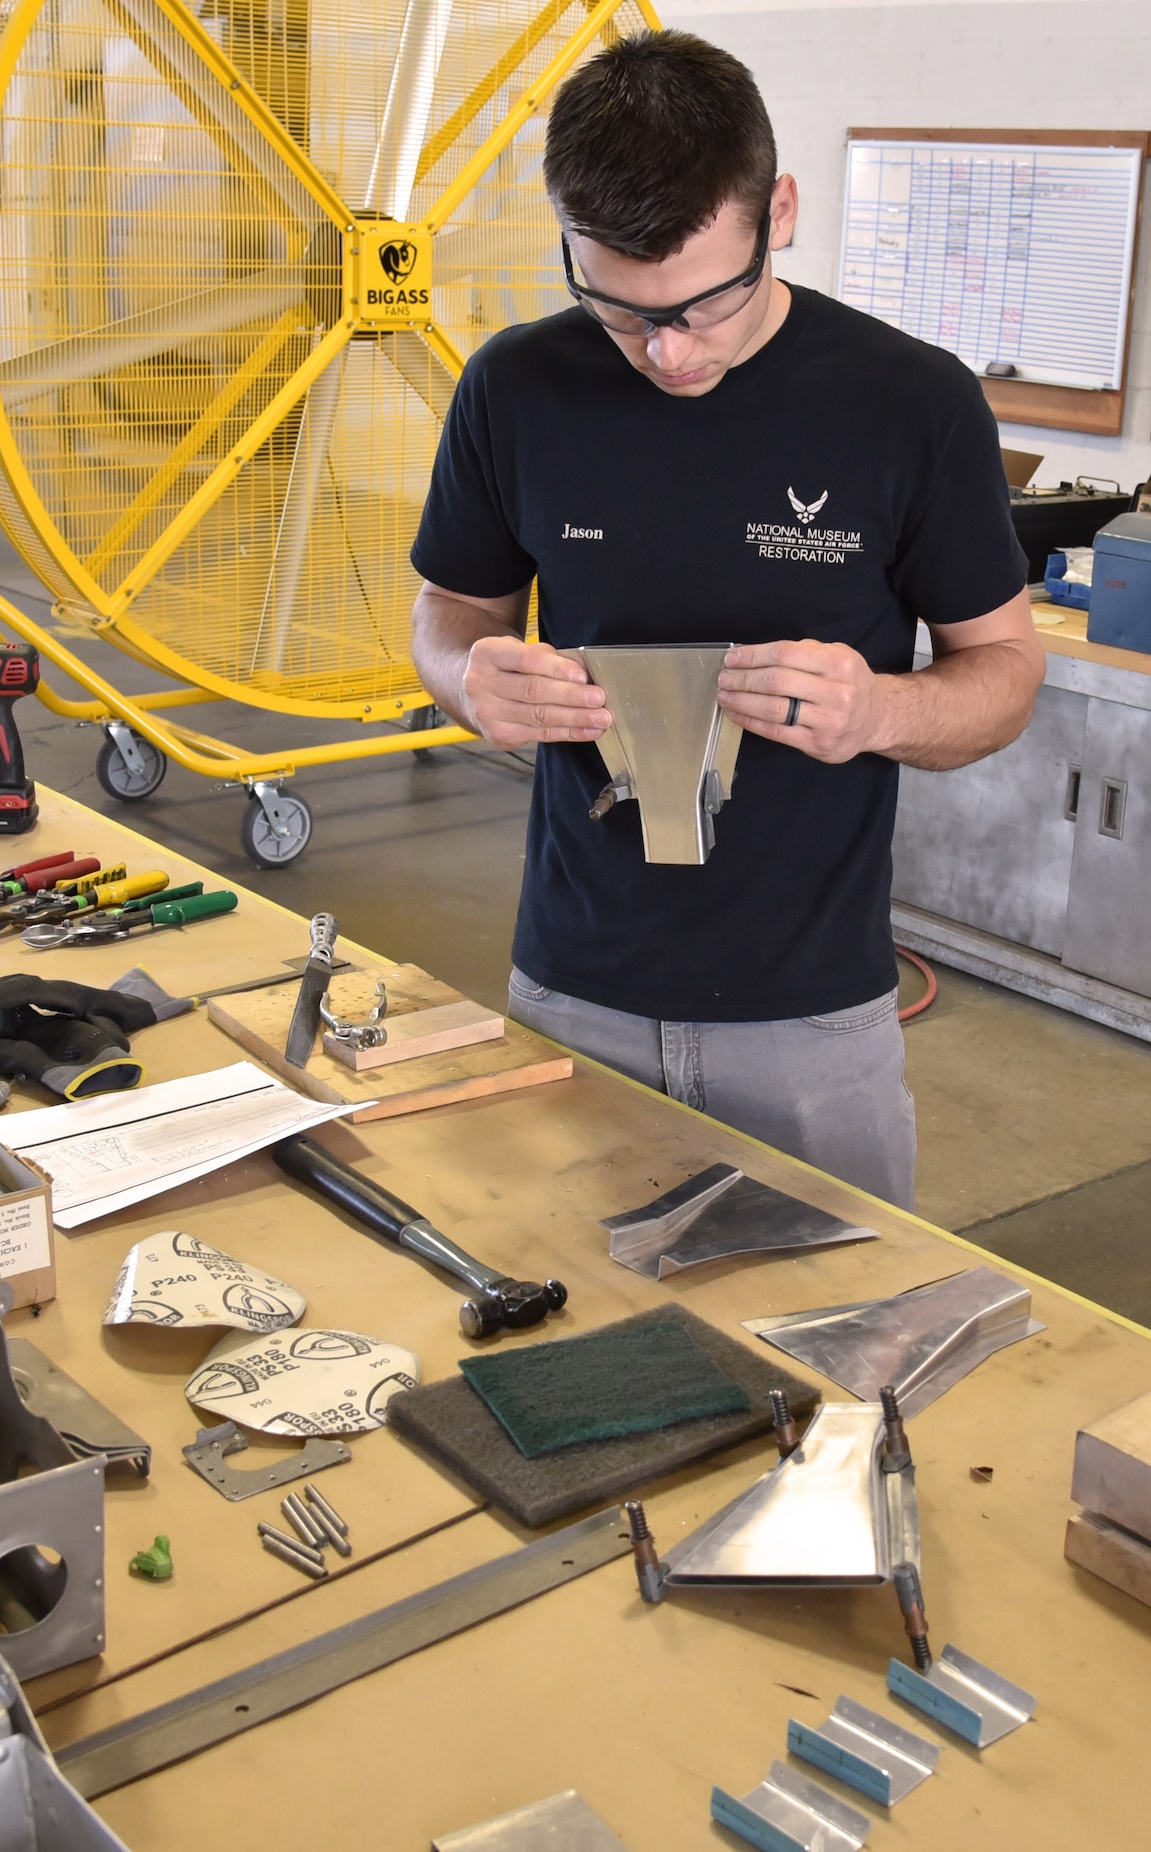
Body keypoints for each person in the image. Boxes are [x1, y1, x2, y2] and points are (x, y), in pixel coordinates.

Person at [408, 30, 1042, 1210]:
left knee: (833, 1360)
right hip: (570, 983)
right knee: (574, 1348)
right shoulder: (513, 386)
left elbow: (1003, 670)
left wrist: (880, 707)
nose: (664, 348)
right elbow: (448, 610)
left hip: (810, 1017)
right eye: (615, 307)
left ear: (779, 210)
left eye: (704, 303)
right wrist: (465, 678)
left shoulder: (910, 404)